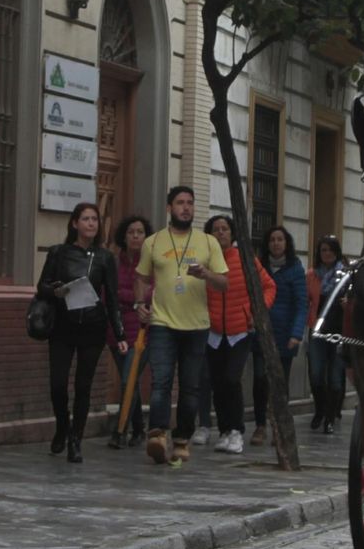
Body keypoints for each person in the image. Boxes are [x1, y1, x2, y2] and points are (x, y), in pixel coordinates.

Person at [135, 186, 229, 464]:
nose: (185, 208)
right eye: (180, 203)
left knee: (190, 387)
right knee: (161, 381)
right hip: (162, 322)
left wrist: (206, 274)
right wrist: (139, 304)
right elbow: (141, 278)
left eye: (190, 203)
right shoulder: (153, 242)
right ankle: (157, 434)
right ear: (169, 208)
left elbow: (224, 283)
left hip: (197, 326)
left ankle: (181, 439)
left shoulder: (208, 242)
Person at [36, 202, 127, 464]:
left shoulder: (105, 258)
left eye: (94, 219)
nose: (91, 223)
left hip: (92, 327)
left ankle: (76, 439)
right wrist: (55, 290)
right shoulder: (58, 253)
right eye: (85, 219)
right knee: (58, 385)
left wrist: (119, 334)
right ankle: (62, 427)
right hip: (63, 325)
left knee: (83, 386)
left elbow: (111, 298)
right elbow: (41, 287)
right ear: (74, 223)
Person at [204, 215, 275, 455]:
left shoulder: (245, 259)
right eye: (216, 229)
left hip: (240, 331)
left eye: (225, 229)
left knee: (232, 379)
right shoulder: (205, 260)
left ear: (232, 234)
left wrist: (257, 311)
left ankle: (237, 430)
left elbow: (269, 286)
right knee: (218, 383)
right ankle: (224, 430)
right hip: (212, 332)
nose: (221, 233)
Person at [251, 225, 309, 446]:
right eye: (272, 240)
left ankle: (279, 425)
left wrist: (296, 334)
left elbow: (301, 304)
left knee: (279, 383)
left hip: (285, 335)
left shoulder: (295, 269)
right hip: (261, 333)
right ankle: (260, 425)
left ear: (287, 244)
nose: (276, 243)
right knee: (259, 380)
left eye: (280, 240)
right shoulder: (259, 267)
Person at [106, 214, 153, 450]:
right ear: (124, 236)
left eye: (140, 232)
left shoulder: (152, 264)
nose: (135, 236)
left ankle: (119, 430)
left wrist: (132, 300)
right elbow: (108, 294)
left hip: (142, 332)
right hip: (116, 330)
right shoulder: (114, 262)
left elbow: (152, 294)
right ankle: (138, 428)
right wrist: (133, 298)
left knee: (128, 378)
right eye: (131, 232)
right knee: (130, 381)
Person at [306, 235, 350, 433]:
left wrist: (348, 305)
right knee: (316, 375)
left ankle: (330, 418)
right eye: (323, 250)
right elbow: (304, 300)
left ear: (337, 252)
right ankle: (320, 410)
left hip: (340, 331)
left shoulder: (347, 275)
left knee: (334, 377)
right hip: (318, 331)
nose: (327, 254)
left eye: (331, 250)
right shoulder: (312, 275)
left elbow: (356, 300)